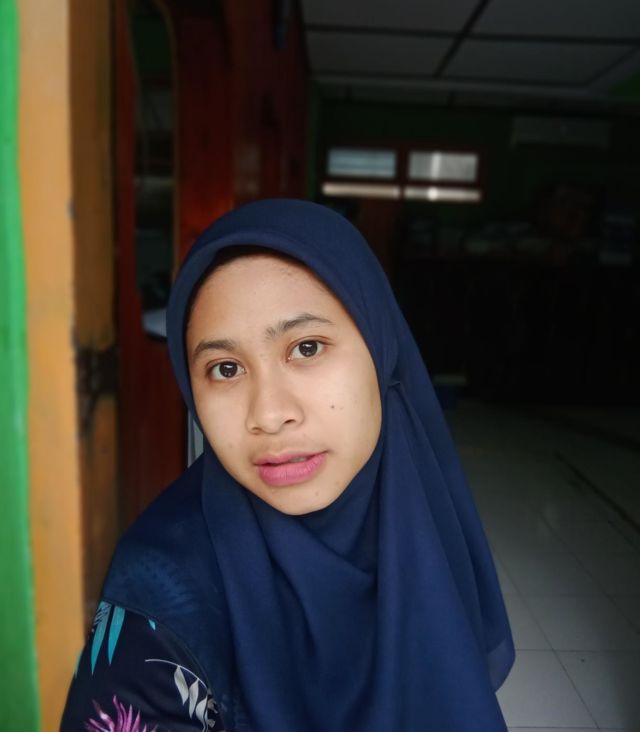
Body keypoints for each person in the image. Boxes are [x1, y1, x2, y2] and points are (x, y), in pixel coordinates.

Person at [61, 199, 514, 731]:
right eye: (225, 368)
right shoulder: (159, 594)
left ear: (379, 350)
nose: (269, 414)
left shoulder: (423, 510)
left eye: (307, 348)